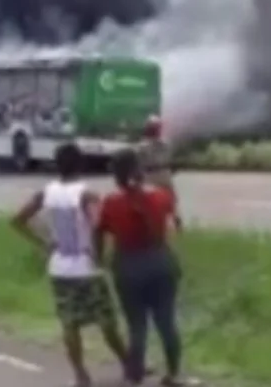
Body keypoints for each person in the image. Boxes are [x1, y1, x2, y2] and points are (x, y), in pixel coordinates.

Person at [11, 143, 129, 387]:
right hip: (86, 265)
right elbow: (97, 225)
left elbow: (18, 220)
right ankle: (128, 363)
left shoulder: (47, 192)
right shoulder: (87, 194)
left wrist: (44, 243)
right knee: (106, 321)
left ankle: (80, 374)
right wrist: (100, 253)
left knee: (69, 324)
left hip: (60, 265)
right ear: (81, 164)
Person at [95, 149, 190, 387]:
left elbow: (98, 231)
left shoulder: (111, 202)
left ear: (116, 176)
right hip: (160, 261)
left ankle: (134, 376)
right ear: (140, 169)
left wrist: (99, 258)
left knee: (137, 325)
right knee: (167, 322)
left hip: (128, 265)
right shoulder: (160, 196)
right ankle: (173, 374)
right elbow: (173, 222)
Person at [137, 115, 182, 230]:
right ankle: (176, 222)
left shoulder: (142, 146)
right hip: (163, 173)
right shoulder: (166, 143)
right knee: (170, 200)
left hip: (150, 175)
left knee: (150, 201)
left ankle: (151, 224)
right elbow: (171, 160)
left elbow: (140, 163)